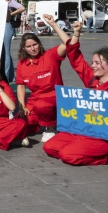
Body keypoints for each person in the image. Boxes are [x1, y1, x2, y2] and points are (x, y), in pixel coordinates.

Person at [44, 22, 108, 165]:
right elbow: (75, 57)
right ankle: (79, 149)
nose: (93, 66)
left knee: (67, 155)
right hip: (82, 130)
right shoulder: (92, 78)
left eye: (97, 63)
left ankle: (107, 156)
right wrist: (75, 33)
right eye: (92, 62)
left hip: (103, 136)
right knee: (49, 147)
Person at [15, 14, 71, 143]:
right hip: (35, 99)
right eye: (29, 47)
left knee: (41, 106)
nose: (33, 48)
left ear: (39, 44)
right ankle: (43, 122)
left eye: (35, 45)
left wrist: (53, 24)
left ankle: (51, 128)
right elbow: (21, 86)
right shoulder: (22, 64)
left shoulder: (51, 55)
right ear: (24, 48)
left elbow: (68, 43)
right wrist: (22, 106)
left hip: (54, 95)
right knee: (21, 123)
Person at [0, 0, 25, 82]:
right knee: (3, 52)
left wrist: (11, 14)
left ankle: (6, 75)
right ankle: (10, 75)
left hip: (6, 25)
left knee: (6, 52)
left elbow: (22, 8)